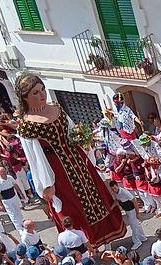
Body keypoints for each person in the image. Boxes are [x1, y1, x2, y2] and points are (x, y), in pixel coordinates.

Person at [15, 73, 125, 246]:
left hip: (77, 158)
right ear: (25, 97)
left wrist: (83, 141)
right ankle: (88, 242)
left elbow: (72, 130)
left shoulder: (56, 107)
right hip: (57, 169)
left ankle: (107, 235)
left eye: (42, 89)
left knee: (94, 193)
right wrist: (46, 184)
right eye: (35, 92)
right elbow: (35, 158)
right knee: (73, 204)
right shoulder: (26, 126)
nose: (42, 95)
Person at [107, 179, 146, 250]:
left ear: (117, 186)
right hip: (127, 211)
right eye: (113, 189)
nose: (114, 190)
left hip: (132, 210)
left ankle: (137, 241)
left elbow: (134, 200)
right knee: (136, 224)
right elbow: (117, 201)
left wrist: (137, 213)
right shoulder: (115, 193)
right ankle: (142, 237)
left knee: (133, 226)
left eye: (115, 188)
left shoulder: (124, 192)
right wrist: (111, 208)